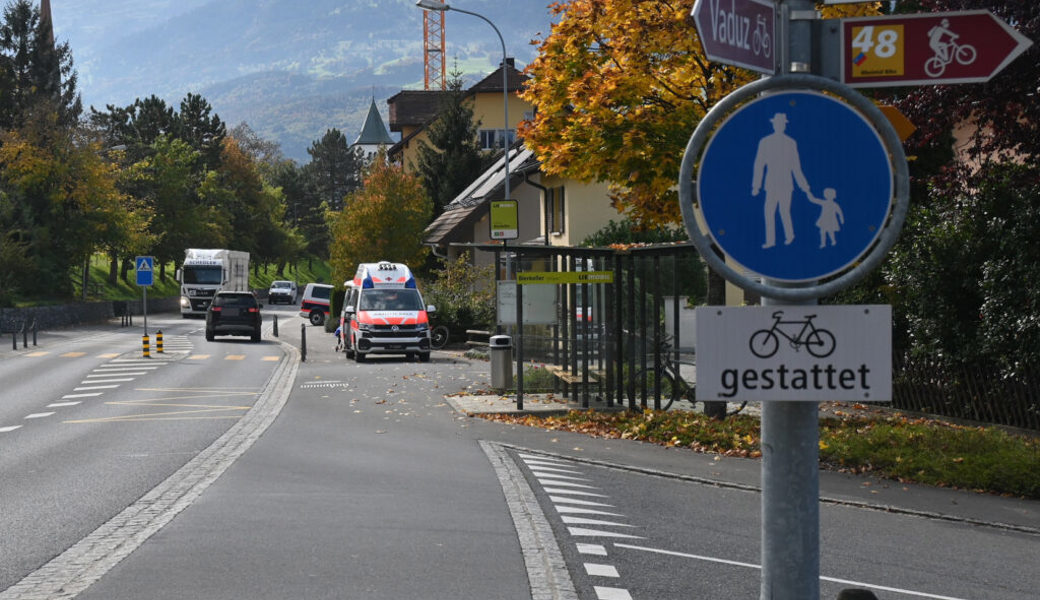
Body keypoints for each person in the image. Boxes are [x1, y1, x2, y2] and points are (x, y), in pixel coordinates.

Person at [751, 112, 812, 249]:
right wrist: (756, 186)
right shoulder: (765, 142)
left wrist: (804, 186)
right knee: (769, 212)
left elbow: (796, 167)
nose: (780, 126)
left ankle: (790, 236)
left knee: (784, 211)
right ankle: (771, 241)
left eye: (782, 124)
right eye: (778, 123)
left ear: (784, 125)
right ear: (774, 125)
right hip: (771, 183)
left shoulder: (791, 143)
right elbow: (759, 164)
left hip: (786, 183)